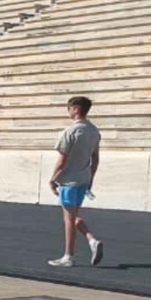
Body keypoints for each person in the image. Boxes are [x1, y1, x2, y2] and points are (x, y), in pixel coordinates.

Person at [48, 96, 104, 268]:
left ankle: (69, 256)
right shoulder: (94, 131)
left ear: (76, 109)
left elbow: (62, 160)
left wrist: (53, 178)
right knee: (72, 214)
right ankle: (91, 241)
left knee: (68, 219)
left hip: (69, 180)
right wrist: (91, 179)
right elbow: (95, 158)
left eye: (70, 108)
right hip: (83, 178)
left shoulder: (70, 132)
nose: (68, 111)